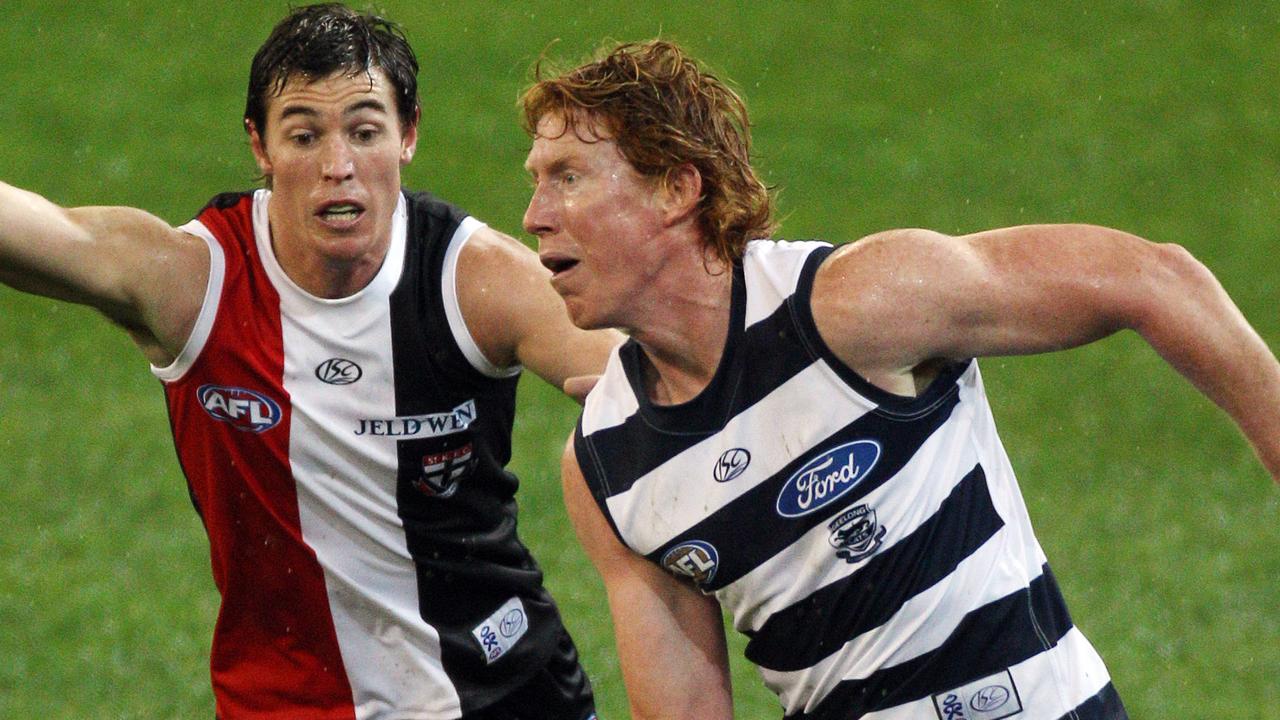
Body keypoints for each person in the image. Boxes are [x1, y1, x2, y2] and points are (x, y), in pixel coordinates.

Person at [518, 40, 1280, 720]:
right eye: (537, 182)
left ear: (676, 190)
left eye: (569, 178)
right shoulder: (608, 467)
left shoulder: (854, 306)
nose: (534, 215)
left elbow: (1155, 278)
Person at [0, 4, 619, 719]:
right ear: (259, 146)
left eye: (365, 131)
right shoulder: (194, 285)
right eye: (303, 135)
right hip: (288, 705)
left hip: (504, 693)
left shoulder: (475, 283)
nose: (338, 168)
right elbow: (37, 235)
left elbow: (659, 385)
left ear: (408, 134)